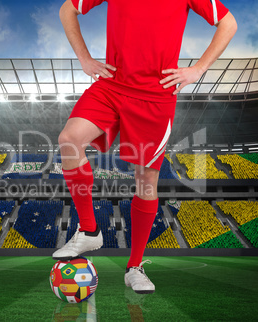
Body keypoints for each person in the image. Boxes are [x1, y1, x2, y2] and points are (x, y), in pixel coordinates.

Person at [52, 0, 237, 294]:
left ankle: (134, 267)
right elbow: (67, 9)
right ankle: (89, 229)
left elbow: (228, 23)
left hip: (156, 96)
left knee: (146, 179)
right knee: (69, 140)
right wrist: (85, 58)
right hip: (111, 85)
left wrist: (198, 70)